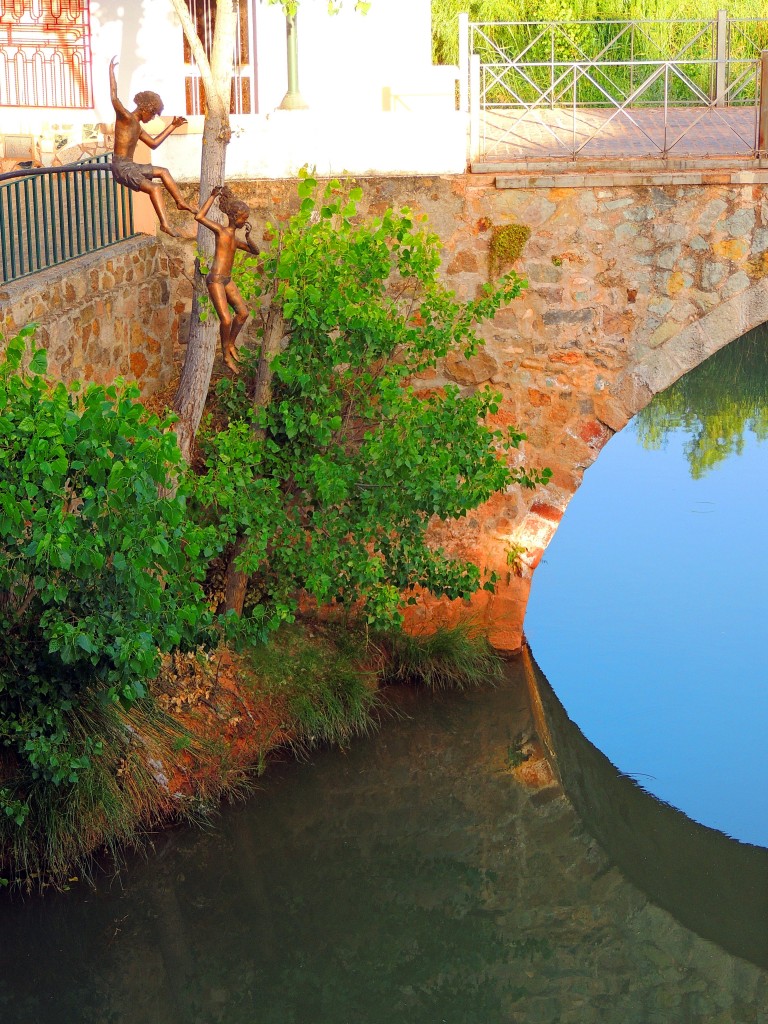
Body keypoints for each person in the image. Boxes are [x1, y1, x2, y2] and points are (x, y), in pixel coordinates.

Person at [109, 56, 196, 236]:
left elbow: (154, 144)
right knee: (155, 188)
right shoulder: (126, 118)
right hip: (121, 167)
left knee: (163, 171)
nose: (153, 118)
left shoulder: (138, 128)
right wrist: (111, 72)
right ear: (145, 109)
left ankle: (180, 202)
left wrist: (172, 125)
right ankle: (165, 224)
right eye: (154, 114)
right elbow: (114, 98)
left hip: (130, 166)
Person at [195, 185, 260, 372]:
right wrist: (212, 196)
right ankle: (225, 355)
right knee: (226, 320)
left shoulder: (235, 239)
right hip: (215, 279)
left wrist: (249, 236)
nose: (244, 221)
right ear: (233, 218)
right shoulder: (221, 232)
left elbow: (255, 251)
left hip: (227, 279)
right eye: (243, 219)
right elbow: (199, 217)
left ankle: (231, 344)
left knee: (243, 314)